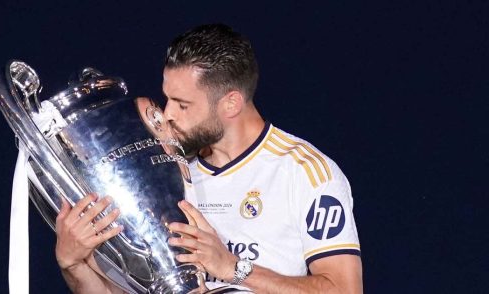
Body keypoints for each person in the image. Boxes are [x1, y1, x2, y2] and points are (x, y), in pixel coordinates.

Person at [55, 24, 363, 293]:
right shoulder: (167, 169)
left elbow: (344, 290)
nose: (167, 114)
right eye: (168, 99)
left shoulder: (305, 172)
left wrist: (233, 268)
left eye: (183, 104)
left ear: (231, 104)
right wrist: (74, 264)